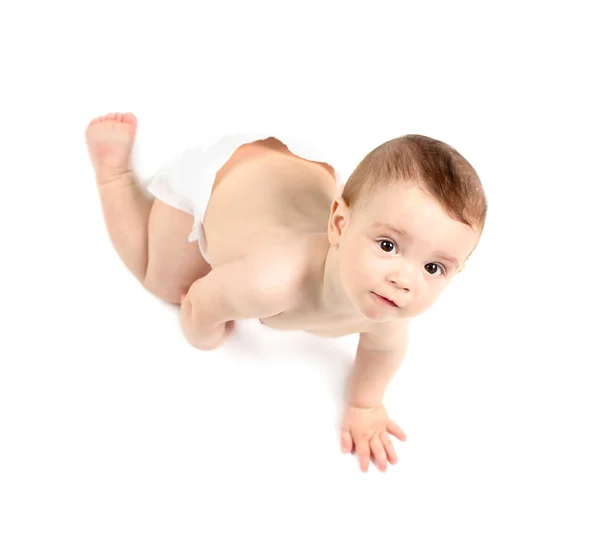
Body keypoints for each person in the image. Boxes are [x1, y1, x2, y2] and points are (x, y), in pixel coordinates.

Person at [85, 112, 487, 473]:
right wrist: (206, 333)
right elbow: (200, 301)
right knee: (166, 282)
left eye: (433, 268)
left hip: (295, 173)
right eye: (388, 246)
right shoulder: (272, 281)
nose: (404, 280)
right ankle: (114, 176)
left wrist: (365, 405)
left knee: (377, 203)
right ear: (339, 225)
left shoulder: (386, 310)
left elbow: (383, 353)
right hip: (223, 181)